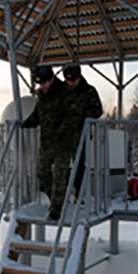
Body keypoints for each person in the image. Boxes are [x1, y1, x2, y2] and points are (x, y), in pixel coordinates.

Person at [22, 65, 83, 220]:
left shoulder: (65, 93)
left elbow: (74, 115)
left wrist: (64, 131)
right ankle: (56, 198)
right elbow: (38, 114)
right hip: (47, 142)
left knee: (59, 175)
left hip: (63, 142)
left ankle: (57, 209)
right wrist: (25, 123)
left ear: (51, 79)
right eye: (39, 83)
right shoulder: (42, 95)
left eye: (44, 82)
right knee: (41, 172)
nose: (42, 86)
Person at [63, 64, 103, 198]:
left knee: (79, 163)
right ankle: (61, 194)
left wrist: (81, 115)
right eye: (68, 80)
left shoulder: (89, 91)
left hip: (81, 132)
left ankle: (79, 194)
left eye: (73, 80)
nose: (71, 83)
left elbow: (98, 110)